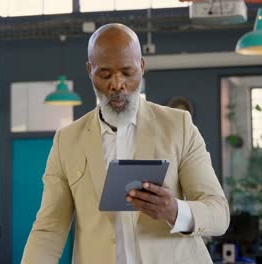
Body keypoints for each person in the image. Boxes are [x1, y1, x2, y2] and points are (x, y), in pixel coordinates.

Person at [22, 23, 229, 264]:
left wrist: (174, 210)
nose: (117, 85)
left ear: (141, 67)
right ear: (90, 71)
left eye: (127, 72)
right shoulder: (66, 141)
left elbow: (218, 213)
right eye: (105, 74)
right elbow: (49, 229)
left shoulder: (178, 126)